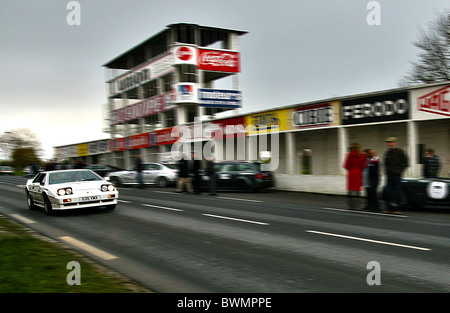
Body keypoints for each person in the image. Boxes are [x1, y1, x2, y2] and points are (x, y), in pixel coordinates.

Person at [382, 137, 409, 214]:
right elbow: (385, 163)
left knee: (398, 192)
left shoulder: (400, 151)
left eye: (390, 142)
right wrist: (386, 170)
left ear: (395, 143)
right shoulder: (388, 152)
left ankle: (398, 209)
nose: (389, 144)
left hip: (397, 175)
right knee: (388, 191)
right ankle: (388, 208)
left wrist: (399, 171)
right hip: (389, 174)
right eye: (388, 142)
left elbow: (405, 163)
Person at [343, 143, 367, 210]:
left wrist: (350, 169)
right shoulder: (362, 155)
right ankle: (357, 205)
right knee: (357, 189)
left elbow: (345, 165)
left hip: (351, 173)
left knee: (350, 189)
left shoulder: (349, 155)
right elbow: (364, 166)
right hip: (359, 173)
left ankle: (350, 205)